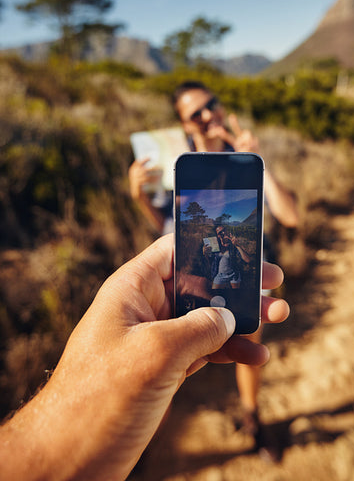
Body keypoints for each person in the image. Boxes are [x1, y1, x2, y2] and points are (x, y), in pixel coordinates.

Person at [0, 234, 289, 481]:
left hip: (240, 285)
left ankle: (252, 419)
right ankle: (142, 441)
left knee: (243, 350)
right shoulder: (174, 179)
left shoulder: (249, 183)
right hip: (182, 277)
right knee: (166, 371)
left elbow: (281, 218)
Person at [129, 81, 299, 450]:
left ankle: (252, 417)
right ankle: (148, 442)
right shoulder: (177, 164)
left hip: (247, 271)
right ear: (184, 125)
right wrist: (139, 196)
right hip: (193, 270)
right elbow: (167, 226)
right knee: (176, 352)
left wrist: (257, 160)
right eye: (196, 114)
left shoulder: (247, 156)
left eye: (212, 105)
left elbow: (290, 215)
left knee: (249, 342)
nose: (208, 116)